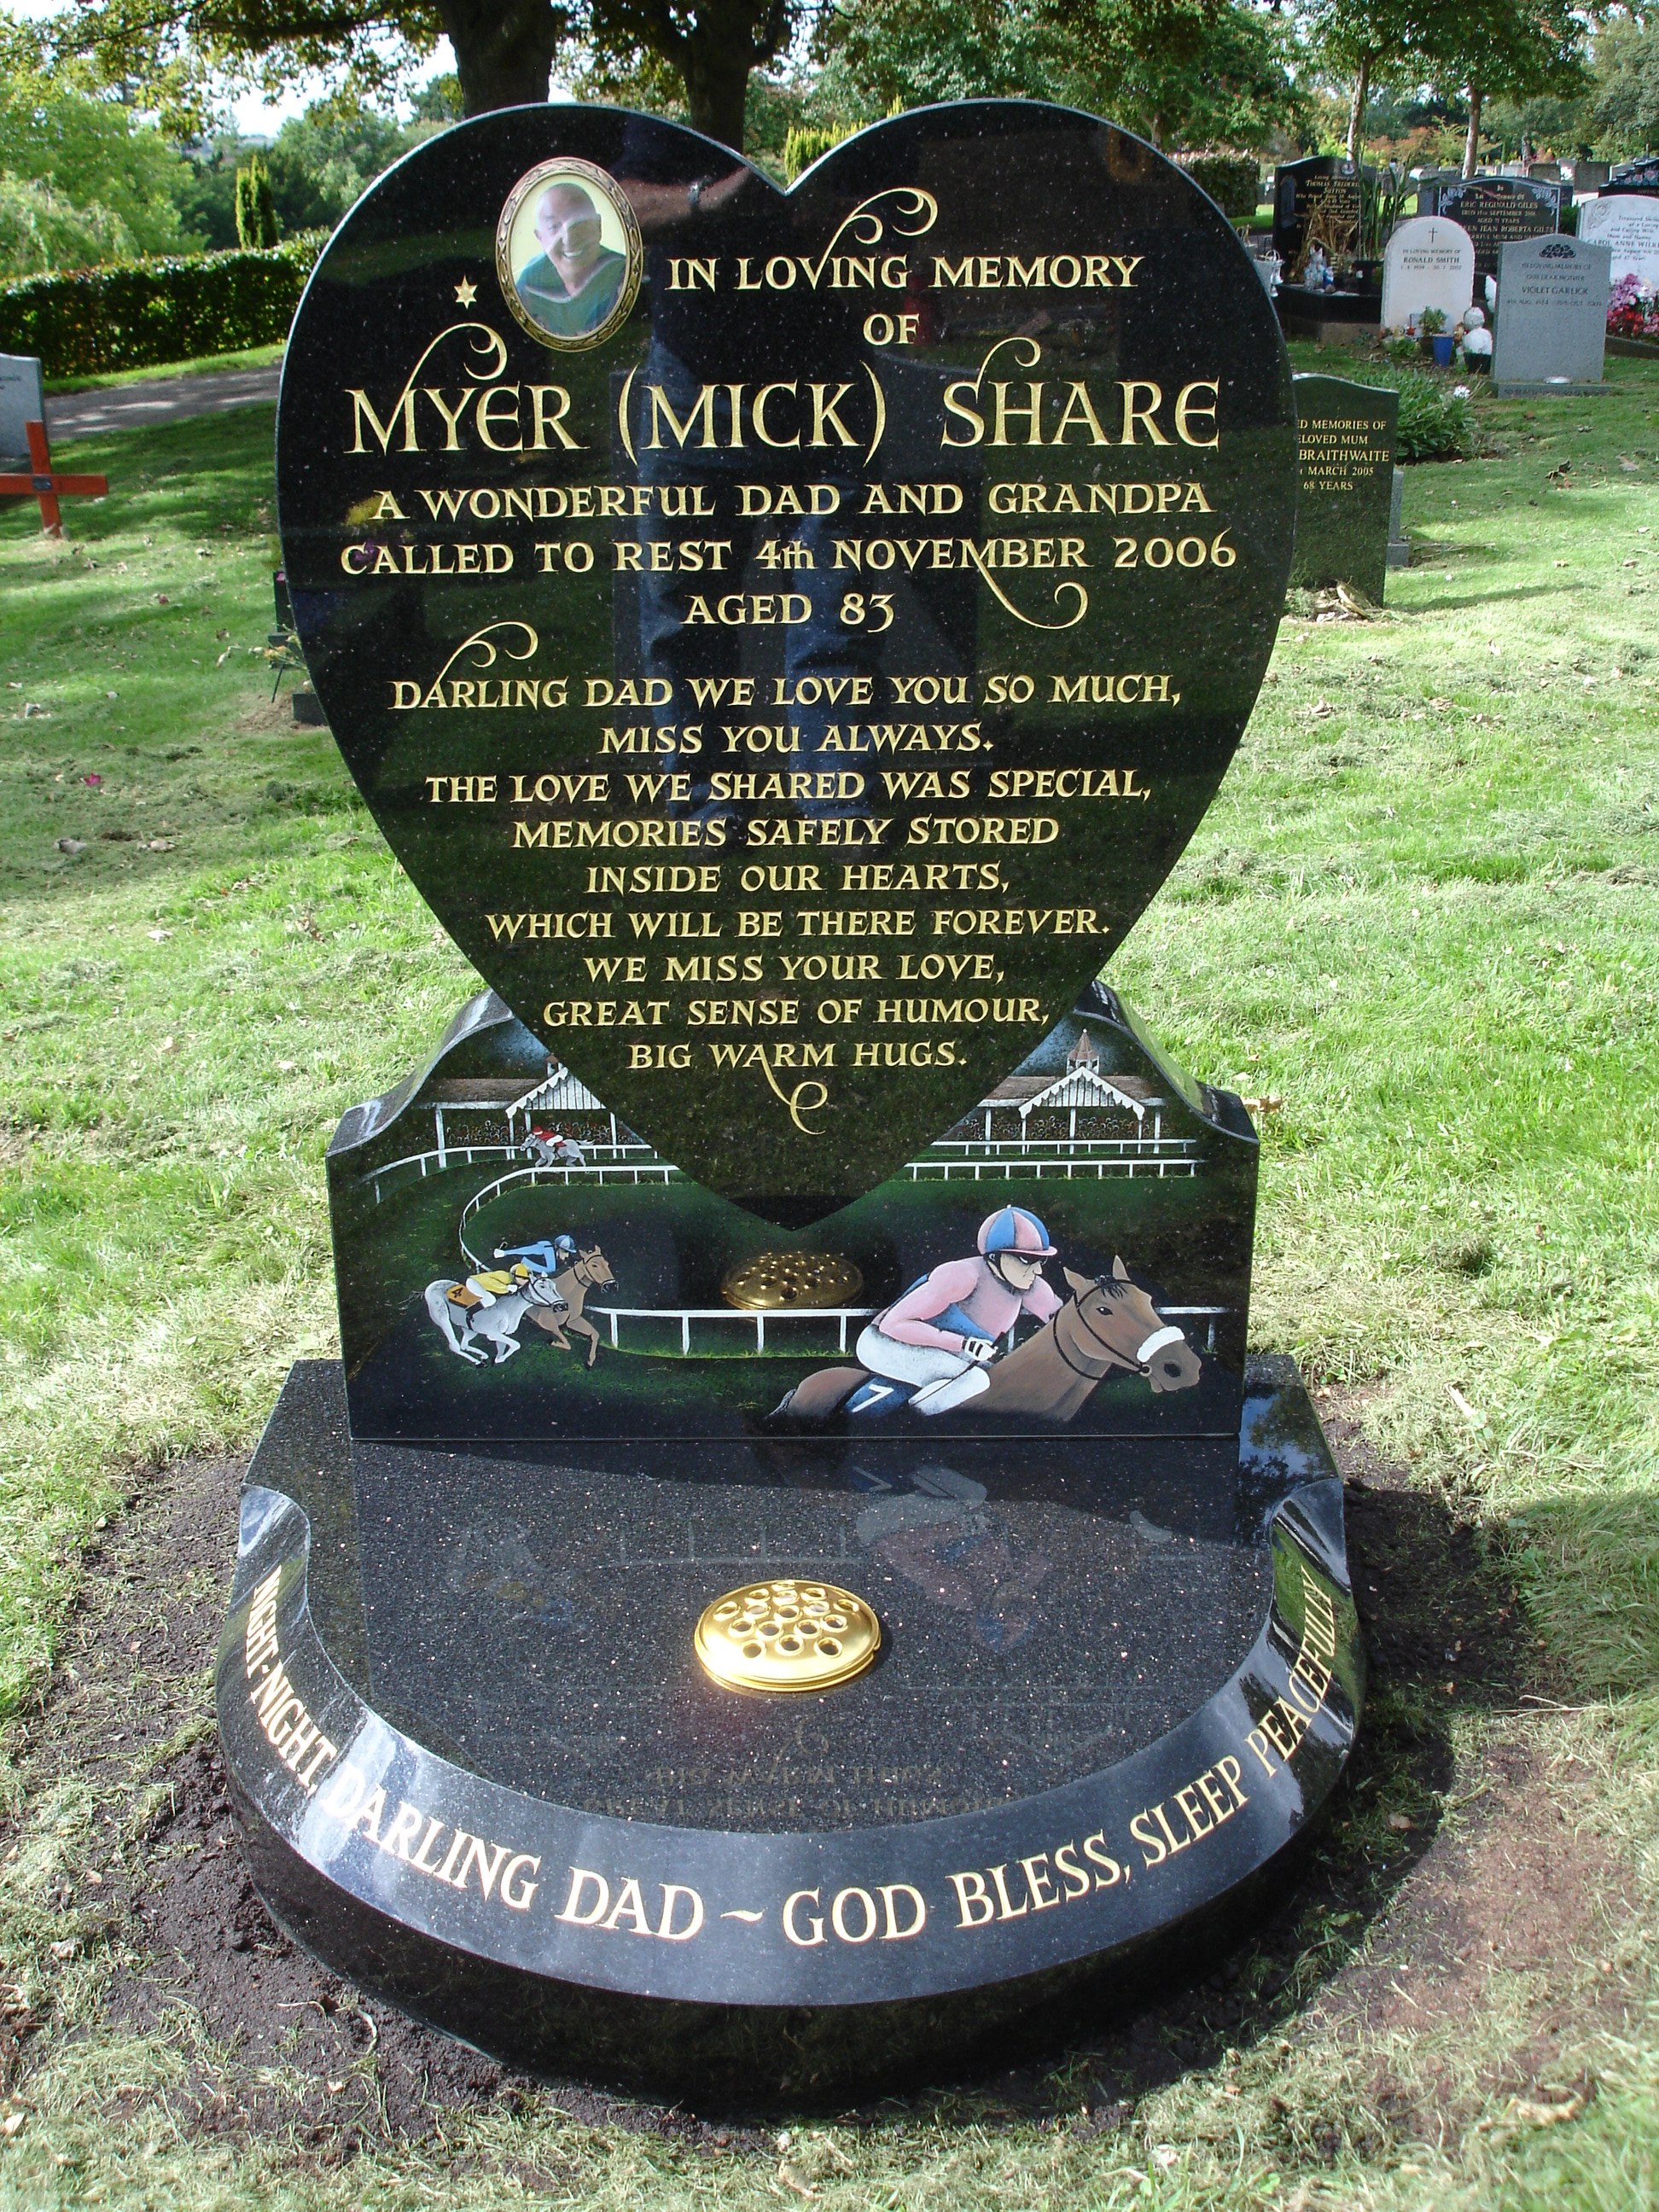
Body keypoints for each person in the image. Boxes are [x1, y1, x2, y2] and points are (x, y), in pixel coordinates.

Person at [846, 1206, 1063, 1417]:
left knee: (999, 1375)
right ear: (995, 1257)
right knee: (975, 1381)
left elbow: (1066, 1319)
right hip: (887, 1342)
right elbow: (893, 1325)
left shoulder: (1032, 1286)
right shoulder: (962, 1276)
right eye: (1026, 1260)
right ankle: (909, 1422)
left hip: (954, 1350)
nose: (1038, 1270)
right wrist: (963, 1344)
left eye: (1041, 1260)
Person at [515, 181, 628, 339]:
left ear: (598, 226)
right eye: (554, 227)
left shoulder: (622, 273)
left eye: (579, 224)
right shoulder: (529, 285)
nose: (569, 239)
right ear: (540, 238)